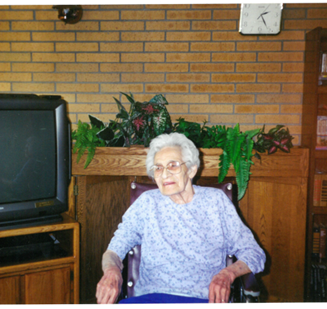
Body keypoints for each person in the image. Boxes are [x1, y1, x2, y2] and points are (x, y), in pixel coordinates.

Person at [96, 132, 266, 304]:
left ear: (191, 170)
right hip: (150, 299)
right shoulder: (147, 203)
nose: (164, 174)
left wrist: (227, 275)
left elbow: (254, 253)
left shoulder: (216, 202)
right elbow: (113, 251)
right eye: (158, 168)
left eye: (173, 165)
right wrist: (112, 271)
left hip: (203, 300)